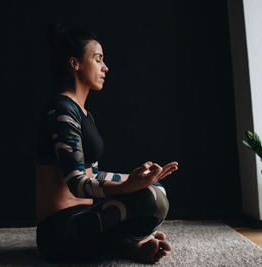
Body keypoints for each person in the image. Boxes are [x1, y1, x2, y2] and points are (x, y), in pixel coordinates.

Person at [34, 21, 179, 264]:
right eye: (98, 59)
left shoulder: (83, 113)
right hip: (59, 232)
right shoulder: (61, 110)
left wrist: (138, 180)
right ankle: (132, 242)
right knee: (151, 200)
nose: (106, 67)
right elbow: (77, 184)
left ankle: (129, 243)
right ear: (75, 63)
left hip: (86, 218)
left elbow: (94, 173)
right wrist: (128, 187)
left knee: (156, 191)